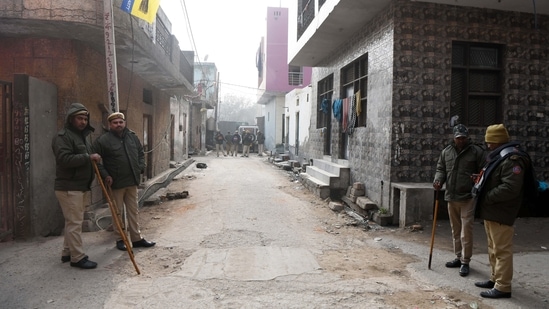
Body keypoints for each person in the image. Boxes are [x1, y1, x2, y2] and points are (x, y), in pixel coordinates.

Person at [471, 124, 529, 299]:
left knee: (502, 249)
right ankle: (495, 278)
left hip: (501, 211)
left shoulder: (513, 159)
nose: (488, 145)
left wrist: (487, 196)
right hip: (492, 210)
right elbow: (496, 179)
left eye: (490, 141)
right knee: (493, 247)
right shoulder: (500, 156)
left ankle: (503, 286)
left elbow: (511, 187)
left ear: (498, 141)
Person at [93, 112, 156, 252]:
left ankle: (136, 238)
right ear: (110, 125)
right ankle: (120, 239)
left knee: (134, 211)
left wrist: (141, 167)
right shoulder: (103, 140)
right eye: (115, 123)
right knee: (117, 212)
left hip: (132, 181)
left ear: (124, 123)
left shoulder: (132, 137)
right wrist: (105, 175)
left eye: (120, 122)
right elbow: (95, 161)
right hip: (115, 183)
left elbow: (140, 153)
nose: (118, 125)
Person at [52, 103, 100, 269]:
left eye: (85, 118)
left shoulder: (81, 137)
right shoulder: (63, 136)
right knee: (75, 223)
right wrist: (88, 157)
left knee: (72, 221)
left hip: (79, 186)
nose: (83, 122)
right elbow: (64, 159)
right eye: (80, 118)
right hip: (69, 187)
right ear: (71, 119)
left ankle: (67, 252)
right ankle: (77, 258)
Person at [433, 124, 486, 277]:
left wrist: (477, 178)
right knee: (455, 230)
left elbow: (484, 170)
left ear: (467, 137)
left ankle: (465, 261)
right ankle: (458, 256)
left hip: (468, 197)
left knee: (466, 231)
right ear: (454, 138)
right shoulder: (446, 152)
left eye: (463, 138)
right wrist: (438, 181)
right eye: (458, 138)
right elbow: (441, 169)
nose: (461, 141)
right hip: (451, 195)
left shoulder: (476, 151)